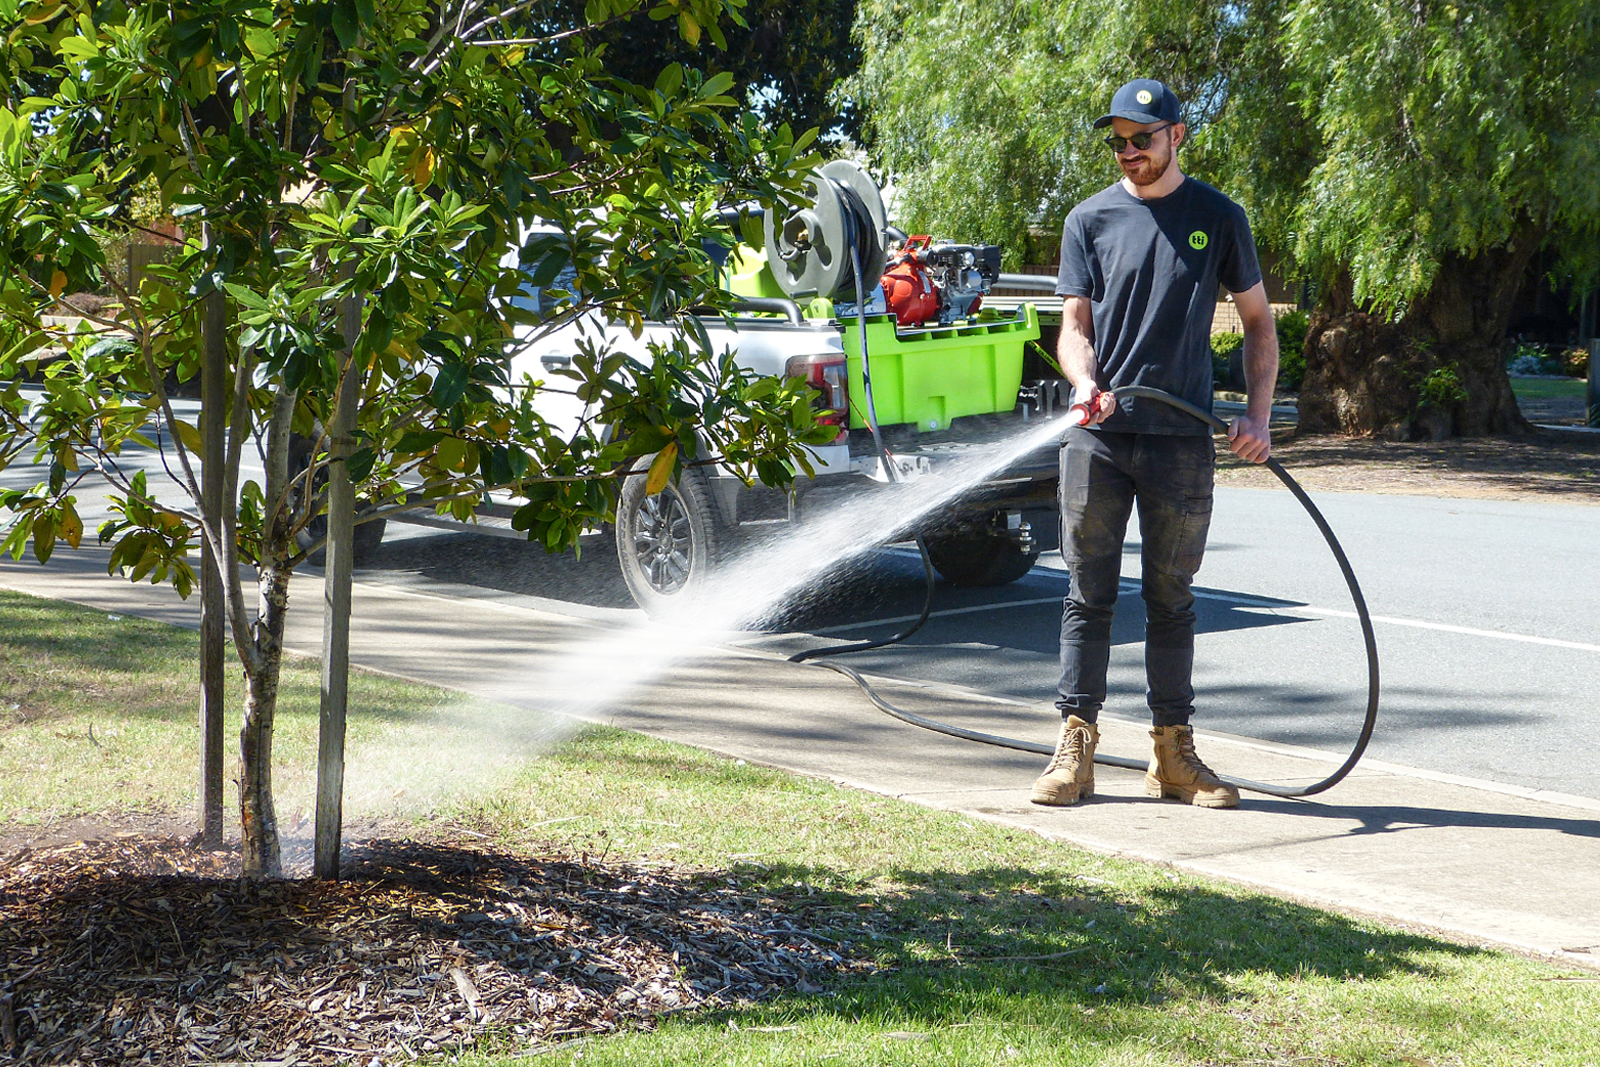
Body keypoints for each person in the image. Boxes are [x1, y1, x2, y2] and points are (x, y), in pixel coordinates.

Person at [1031, 78, 1278, 810]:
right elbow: (1073, 326)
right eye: (1118, 140)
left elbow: (1260, 324)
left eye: (1142, 137)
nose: (1129, 151)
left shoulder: (1218, 217)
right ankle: (1074, 746)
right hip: (1099, 439)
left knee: (1172, 597)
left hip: (1180, 441)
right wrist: (1082, 382)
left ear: (1177, 134)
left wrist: (1257, 418)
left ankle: (1173, 753)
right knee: (1088, 594)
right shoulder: (1090, 220)